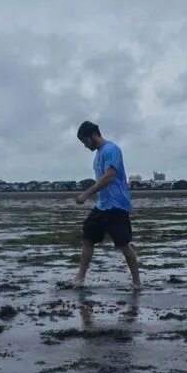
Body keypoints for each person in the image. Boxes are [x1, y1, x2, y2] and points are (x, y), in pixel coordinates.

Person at [72, 120, 142, 289]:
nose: (85, 146)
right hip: (102, 206)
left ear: (93, 136)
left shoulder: (112, 150)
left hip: (117, 206)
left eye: (85, 141)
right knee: (88, 238)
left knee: (124, 244)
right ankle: (80, 278)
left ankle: (137, 282)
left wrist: (87, 194)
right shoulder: (98, 155)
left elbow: (109, 176)